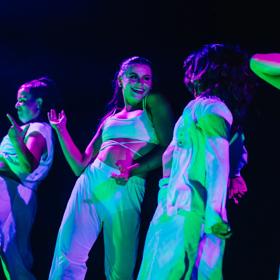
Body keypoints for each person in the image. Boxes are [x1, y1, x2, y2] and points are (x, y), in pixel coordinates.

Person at [48, 56, 174, 279]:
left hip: (126, 185)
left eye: (146, 78)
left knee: (120, 269)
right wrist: (61, 130)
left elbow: (169, 147)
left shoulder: (153, 104)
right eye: (133, 76)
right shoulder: (111, 117)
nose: (140, 83)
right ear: (120, 79)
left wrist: (134, 169)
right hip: (91, 179)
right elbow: (79, 165)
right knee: (67, 255)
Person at [137, 43, 255, 280]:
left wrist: (165, 196)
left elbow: (169, 156)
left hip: (176, 211)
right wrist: (216, 212)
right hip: (199, 214)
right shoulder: (214, 108)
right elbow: (216, 157)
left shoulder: (196, 109)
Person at [0, 77, 57, 279]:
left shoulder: (39, 129)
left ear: (39, 103)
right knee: (12, 254)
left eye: (22, 100)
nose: (17, 105)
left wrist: (16, 140)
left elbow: (26, 167)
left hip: (14, 192)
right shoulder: (24, 130)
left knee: (13, 255)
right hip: (9, 191)